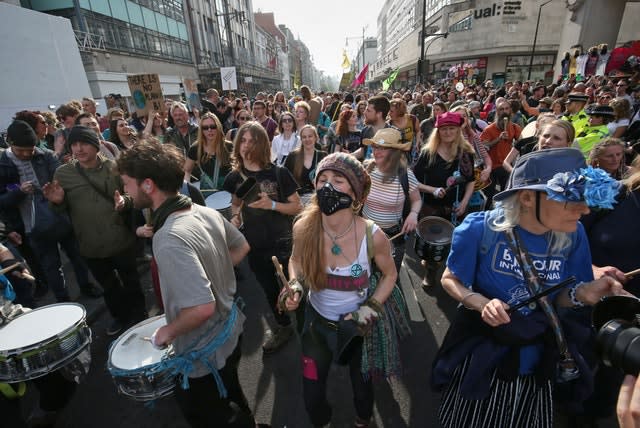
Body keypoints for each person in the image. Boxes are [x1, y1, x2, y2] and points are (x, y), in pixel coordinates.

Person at [432, 147, 626, 428]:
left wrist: (582, 294)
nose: (584, 209)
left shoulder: (574, 236)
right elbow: (450, 279)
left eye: (584, 199)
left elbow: (558, 299)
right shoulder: (479, 229)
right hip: (482, 356)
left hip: (537, 362)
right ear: (525, 197)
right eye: (569, 199)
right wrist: (481, 303)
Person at [115, 141, 267, 428]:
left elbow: (201, 308)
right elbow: (241, 247)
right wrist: (216, 273)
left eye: (128, 184)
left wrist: (165, 332)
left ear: (148, 185)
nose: (126, 192)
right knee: (233, 397)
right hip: (231, 331)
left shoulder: (168, 236)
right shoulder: (203, 211)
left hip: (205, 352)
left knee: (211, 416)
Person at [284, 152, 397, 428]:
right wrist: (296, 284)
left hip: (356, 330)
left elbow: (390, 274)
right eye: (322, 179)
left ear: (356, 193)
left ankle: (362, 420)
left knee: (362, 390)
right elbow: (296, 260)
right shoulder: (303, 227)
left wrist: (369, 309)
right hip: (316, 328)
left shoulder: (373, 236)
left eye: (338, 180)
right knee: (311, 394)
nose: (328, 187)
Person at [43, 126, 147, 336]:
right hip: (90, 244)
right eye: (74, 144)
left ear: (96, 144)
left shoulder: (115, 167)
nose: (79, 149)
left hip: (121, 239)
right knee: (108, 286)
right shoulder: (63, 173)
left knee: (131, 280)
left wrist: (123, 202)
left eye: (84, 143)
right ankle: (120, 317)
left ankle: (141, 315)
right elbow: (60, 209)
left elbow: (132, 197)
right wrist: (57, 203)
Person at [222, 122, 302, 354]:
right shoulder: (234, 177)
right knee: (268, 289)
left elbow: (297, 207)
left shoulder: (278, 172)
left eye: (252, 140)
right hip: (255, 245)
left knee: (297, 286)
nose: (246, 146)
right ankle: (284, 327)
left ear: (262, 144)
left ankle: (308, 326)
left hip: (284, 242)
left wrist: (272, 204)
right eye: (243, 141)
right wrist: (235, 218)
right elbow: (235, 204)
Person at [0, 121, 101, 301]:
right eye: (20, 150)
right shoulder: (3, 166)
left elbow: (61, 179)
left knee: (77, 256)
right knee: (51, 266)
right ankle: (63, 301)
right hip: (32, 226)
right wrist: (18, 193)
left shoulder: (45, 156)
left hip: (60, 216)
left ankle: (86, 286)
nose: (26, 154)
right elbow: (2, 202)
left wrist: (52, 192)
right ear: (10, 144)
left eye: (30, 150)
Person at [413, 112, 475, 287]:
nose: (447, 132)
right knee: (433, 245)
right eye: (444, 129)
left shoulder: (466, 153)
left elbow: (471, 182)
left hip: (456, 208)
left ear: (458, 131)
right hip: (431, 208)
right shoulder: (428, 153)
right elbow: (413, 181)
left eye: (452, 129)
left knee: (455, 243)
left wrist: (464, 203)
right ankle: (431, 271)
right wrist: (432, 190)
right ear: (437, 131)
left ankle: (449, 274)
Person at [361, 128, 422, 273]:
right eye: (375, 147)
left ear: (395, 152)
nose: (376, 151)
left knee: (388, 275)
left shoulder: (405, 175)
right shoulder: (366, 169)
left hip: (392, 236)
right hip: (364, 233)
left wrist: (413, 214)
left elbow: (417, 200)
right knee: (362, 275)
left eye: (383, 148)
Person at [480, 99, 522, 202]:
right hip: (491, 167)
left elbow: (521, 144)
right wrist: (498, 139)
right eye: (501, 109)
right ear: (497, 112)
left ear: (510, 111)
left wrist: (517, 144)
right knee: (488, 197)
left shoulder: (514, 127)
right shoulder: (489, 129)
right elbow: (483, 145)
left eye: (507, 108)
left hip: (506, 166)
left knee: (506, 196)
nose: (504, 111)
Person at [183, 113, 233, 197]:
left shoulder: (229, 146)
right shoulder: (196, 148)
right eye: (205, 128)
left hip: (228, 193)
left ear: (218, 127)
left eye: (213, 126)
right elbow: (187, 170)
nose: (209, 130)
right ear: (201, 130)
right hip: (207, 194)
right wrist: (187, 188)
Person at [502, 116, 571, 173]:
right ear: (537, 126)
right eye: (546, 135)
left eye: (556, 138)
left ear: (568, 144)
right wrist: (516, 174)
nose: (548, 141)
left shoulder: (573, 169)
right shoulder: (525, 144)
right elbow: (506, 162)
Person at [283, 125, 327, 206]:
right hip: (297, 200)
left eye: (310, 136)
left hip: (316, 200)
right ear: (301, 139)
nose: (307, 139)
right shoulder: (293, 156)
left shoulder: (323, 156)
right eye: (304, 137)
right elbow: (284, 179)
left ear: (316, 138)